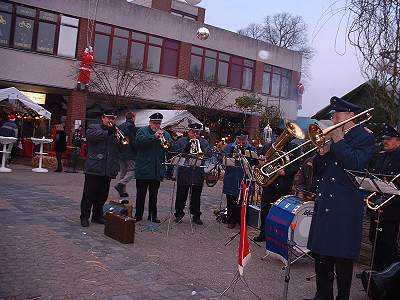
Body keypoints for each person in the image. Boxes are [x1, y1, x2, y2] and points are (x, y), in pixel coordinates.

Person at [306, 97, 375, 300]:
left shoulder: (364, 138)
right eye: (333, 116)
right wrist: (321, 153)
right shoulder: (334, 137)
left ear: (351, 116)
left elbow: (356, 162)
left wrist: (338, 140)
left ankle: (342, 297)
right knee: (322, 255)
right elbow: (319, 172)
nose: (333, 118)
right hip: (326, 201)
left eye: (337, 115)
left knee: (342, 258)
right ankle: (322, 296)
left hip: (345, 206)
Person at [253, 124, 301, 242]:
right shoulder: (267, 147)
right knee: (265, 210)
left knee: (281, 214)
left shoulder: (294, 148)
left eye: (283, 135)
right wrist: (262, 163)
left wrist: (285, 172)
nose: (280, 137)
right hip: (270, 185)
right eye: (279, 135)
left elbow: (296, 165)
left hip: (284, 184)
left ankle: (278, 237)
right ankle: (263, 233)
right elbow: (261, 162)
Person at [79, 111, 122, 227]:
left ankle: (97, 216)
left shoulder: (116, 131)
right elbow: (92, 137)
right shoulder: (94, 127)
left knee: (102, 195)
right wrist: (108, 132)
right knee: (89, 194)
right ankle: (84, 216)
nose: (110, 121)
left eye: (112, 119)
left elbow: (121, 149)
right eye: (108, 118)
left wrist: (121, 141)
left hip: (108, 168)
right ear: (102, 118)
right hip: (94, 167)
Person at [367, 124, 400, 271]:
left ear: (398, 141)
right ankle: (374, 276)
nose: (385, 141)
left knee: (388, 244)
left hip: (392, 211)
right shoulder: (381, 157)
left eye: (389, 138)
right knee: (374, 239)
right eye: (384, 138)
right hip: (377, 207)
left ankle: (387, 278)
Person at [134, 112, 173, 223]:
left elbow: (169, 146)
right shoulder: (142, 131)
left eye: (159, 123)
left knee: (154, 196)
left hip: (157, 170)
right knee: (141, 195)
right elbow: (139, 143)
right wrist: (153, 137)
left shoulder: (164, 133)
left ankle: (152, 216)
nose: (157, 126)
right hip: (143, 168)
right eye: (155, 123)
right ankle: (138, 215)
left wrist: (168, 142)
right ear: (150, 122)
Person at [173, 123, 212, 225]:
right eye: (193, 132)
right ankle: (178, 214)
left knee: (196, 196)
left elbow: (209, 154)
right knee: (181, 194)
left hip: (197, 172)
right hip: (184, 171)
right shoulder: (182, 140)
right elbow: (175, 151)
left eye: (197, 132)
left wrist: (201, 149)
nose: (195, 134)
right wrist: (187, 147)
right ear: (189, 131)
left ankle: (196, 215)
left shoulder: (204, 142)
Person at [223, 130, 257, 229]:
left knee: (243, 201)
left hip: (245, 178)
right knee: (231, 200)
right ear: (236, 138)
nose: (242, 141)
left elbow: (255, 163)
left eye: (244, 139)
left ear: (247, 138)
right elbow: (222, 160)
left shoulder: (252, 149)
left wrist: (251, 158)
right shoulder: (229, 147)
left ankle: (241, 220)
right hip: (232, 177)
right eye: (239, 139)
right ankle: (231, 220)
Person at [114, 111, 137, 197]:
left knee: (123, 171)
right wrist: (136, 150)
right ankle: (120, 184)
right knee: (132, 170)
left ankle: (122, 191)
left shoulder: (121, 126)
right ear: (133, 118)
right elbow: (133, 140)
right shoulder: (131, 126)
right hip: (129, 152)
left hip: (121, 151)